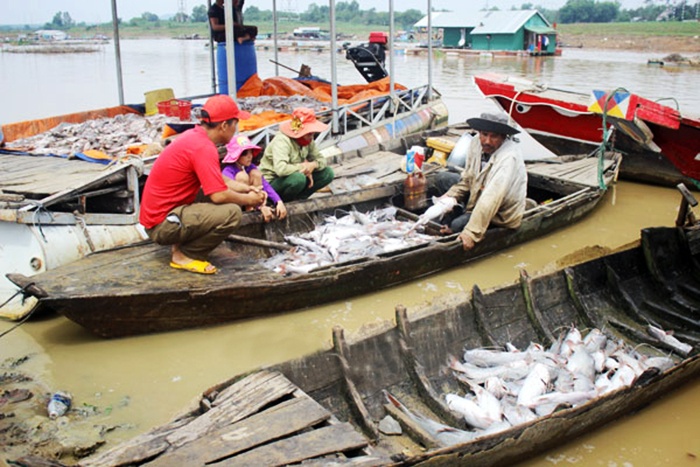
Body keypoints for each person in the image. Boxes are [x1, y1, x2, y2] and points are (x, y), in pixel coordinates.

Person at [139, 94, 266, 275]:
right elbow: (219, 195)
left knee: (221, 197)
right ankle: (184, 255)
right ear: (224, 126)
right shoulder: (203, 148)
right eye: (235, 124)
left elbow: (219, 180)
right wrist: (248, 199)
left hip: (162, 217)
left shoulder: (196, 137)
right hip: (162, 225)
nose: (236, 129)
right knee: (232, 213)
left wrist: (247, 189)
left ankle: (181, 245)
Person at [433, 112, 527, 251]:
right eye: (484, 134)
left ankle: (464, 219)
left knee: (457, 226)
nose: (487, 141)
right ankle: (462, 209)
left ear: (503, 137)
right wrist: (450, 196)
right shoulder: (476, 142)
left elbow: (492, 197)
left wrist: (471, 233)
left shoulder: (508, 157)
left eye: (494, 136)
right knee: (442, 179)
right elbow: (468, 178)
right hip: (479, 193)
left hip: (500, 211)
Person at [258, 107, 335, 202]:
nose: (312, 135)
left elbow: (321, 159)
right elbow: (281, 169)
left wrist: (313, 165)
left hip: (293, 176)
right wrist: (304, 168)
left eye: (312, 133)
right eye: (309, 133)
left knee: (328, 173)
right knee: (298, 179)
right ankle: (280, 201)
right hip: (272, 183)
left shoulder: (309, 140)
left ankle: (299, 198)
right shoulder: (282, 141)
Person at [222, 134, 287, 223]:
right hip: (237, 205)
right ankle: (251, 208)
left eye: (250, 152)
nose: (250, 156)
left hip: (254, 201)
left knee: (256, 174)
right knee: (242, 176)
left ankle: (255, 206)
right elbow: (228, 191)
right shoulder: (228, 171)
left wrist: (278, 201)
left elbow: (265, 185)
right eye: (245, 154)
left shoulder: (251, 167)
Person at [208, 0, 257, 95]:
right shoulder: (213, 10)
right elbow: (215, 27)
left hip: (231, 31)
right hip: (221, 35)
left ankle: (244, 37)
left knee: (253, 29)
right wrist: (230, 25)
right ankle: (241, 37)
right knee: (234, 31)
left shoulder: (228, 8)